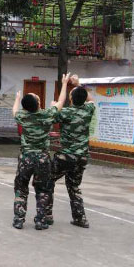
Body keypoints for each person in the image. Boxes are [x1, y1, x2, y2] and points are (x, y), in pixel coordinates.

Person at [12, 74, 70, 230]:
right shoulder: (47, 115)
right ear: (38, 103)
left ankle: (19, 219)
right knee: (43, 190)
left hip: (25, 158)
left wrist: (17, 99)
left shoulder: (22, 116)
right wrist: (64, 84)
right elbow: (61, 101)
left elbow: (14, 111)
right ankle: (40, 220)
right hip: (42, 159)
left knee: (21, 188)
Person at [47, 78, 95, 228]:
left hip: (66, 156)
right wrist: (78, 85)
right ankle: (80, 218)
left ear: (71, 99)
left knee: (47, 181)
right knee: (74, 186)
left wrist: (54, 105)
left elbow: (54, 114)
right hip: (82, 157)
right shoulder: (88, 110)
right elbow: (90, 99)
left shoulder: (66, 113)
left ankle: (46, 215)